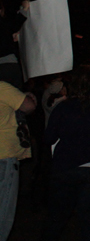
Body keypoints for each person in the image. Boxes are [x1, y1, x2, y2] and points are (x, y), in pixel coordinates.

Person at [41, 67, 90, 241]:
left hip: (65, 167)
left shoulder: (63, 108)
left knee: (56, 220)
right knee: (89, 222)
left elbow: (48, 137)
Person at [1, 81, 37, 241]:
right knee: (3, 212)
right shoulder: (2, 87)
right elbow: (28, 106)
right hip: (4, 156)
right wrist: (29, 97)